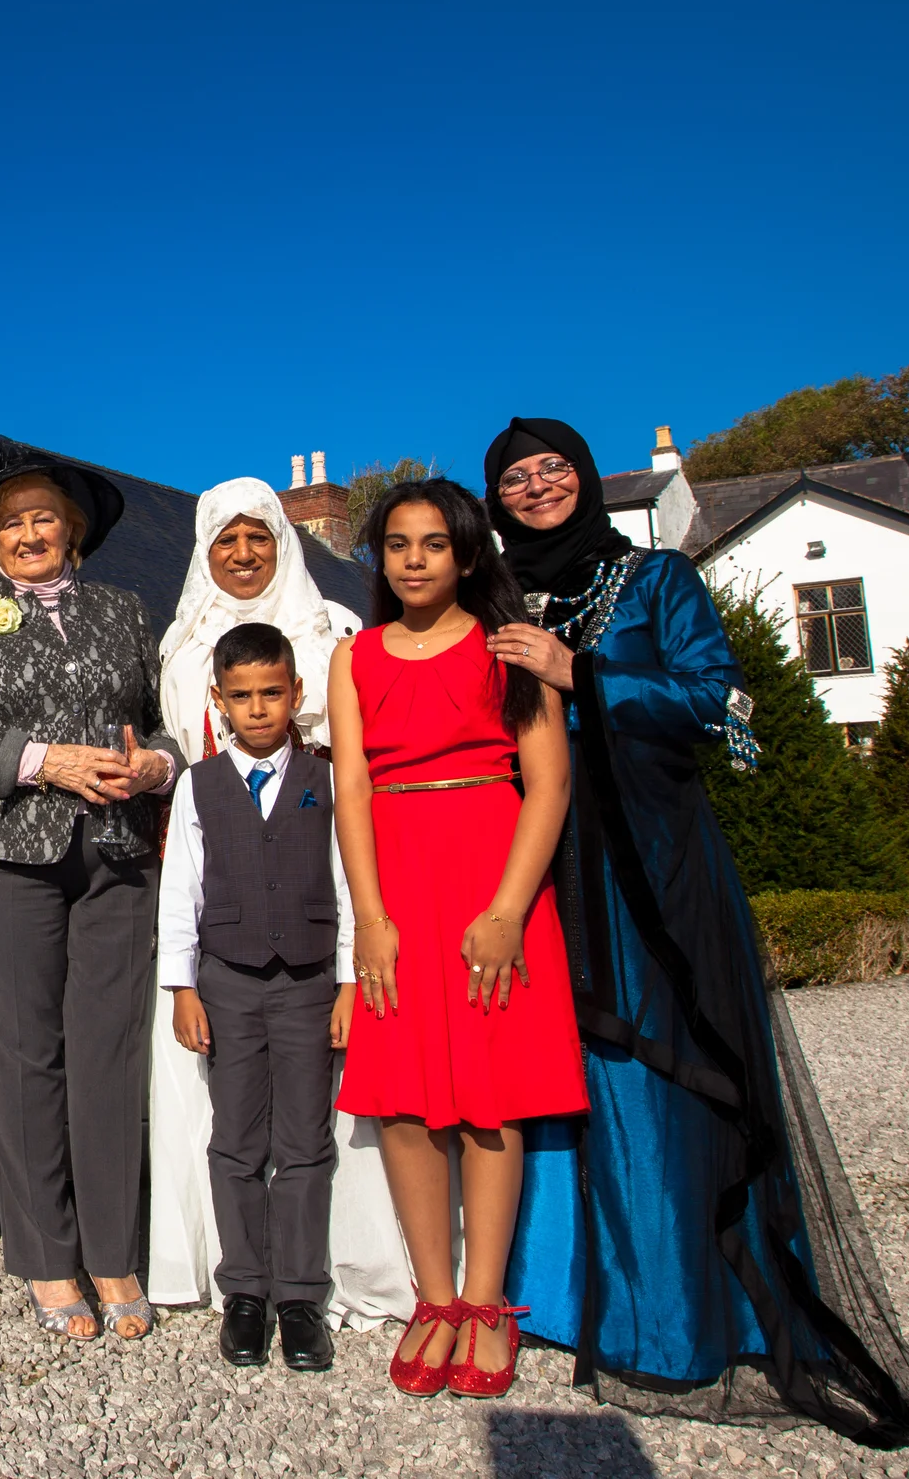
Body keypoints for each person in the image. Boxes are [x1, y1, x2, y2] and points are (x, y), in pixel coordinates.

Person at [483, 418, 909, 1459]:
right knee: (545, 1072)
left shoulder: (652, 580)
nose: (535, 486)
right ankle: (556, 1298)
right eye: (513, 478)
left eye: (552, 468)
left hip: (642, 862)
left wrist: (583, 673)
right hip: (528, 865)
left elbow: (724, 702)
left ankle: (673, 1315)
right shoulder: (500, 597)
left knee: (652, 1070)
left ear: (585, 478)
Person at [0, 445, 183, 1343]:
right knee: (27, 1054)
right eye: (12, 522)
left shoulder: (124, 609)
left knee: (108, 1054)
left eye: (44, 517)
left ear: (73, 531)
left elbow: (171, 722)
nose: (30, 532)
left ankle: (113, 1248)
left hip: (118, 850)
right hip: (8, 852)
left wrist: (155, 764)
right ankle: (45, 1255)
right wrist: (44, 761)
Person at [329, 479, 586, 1401]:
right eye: (396, 543)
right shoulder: (353, 655)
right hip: (396, 882)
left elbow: (548, 784)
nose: (412, 558)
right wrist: (371, 919)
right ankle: (432, 1299)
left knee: (491, 1096)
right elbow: (351, 791)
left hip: (490, 872)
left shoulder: (508, 647)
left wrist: (511, 908)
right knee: (401, 1102)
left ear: (469, 555)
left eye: (433, 543)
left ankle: (484, 1304)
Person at [147, 479, 408, 1331]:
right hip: (223, 915)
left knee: (311, 1126)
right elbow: (177, 781)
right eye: (227, 540)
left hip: (314, 861)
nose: (245, 553)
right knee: (229, 1125)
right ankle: (237, 1277)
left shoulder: (334, 631)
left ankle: (315, 1278)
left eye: (260, 537)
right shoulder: (183, 647)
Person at [156, 622, 354, 1374]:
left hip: (307, 984)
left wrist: (344, 984)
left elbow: (345, 883)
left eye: (273, 692)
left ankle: (301, 1296)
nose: (259, 708)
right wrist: (181, 986)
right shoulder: (197, 784)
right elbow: (182, 892)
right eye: (242, 696)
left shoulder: (328, 779)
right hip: (229, 981)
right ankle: (244, 1289)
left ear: (298, 694)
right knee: (236, 1141)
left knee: (306, 1142)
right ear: (219, 700)